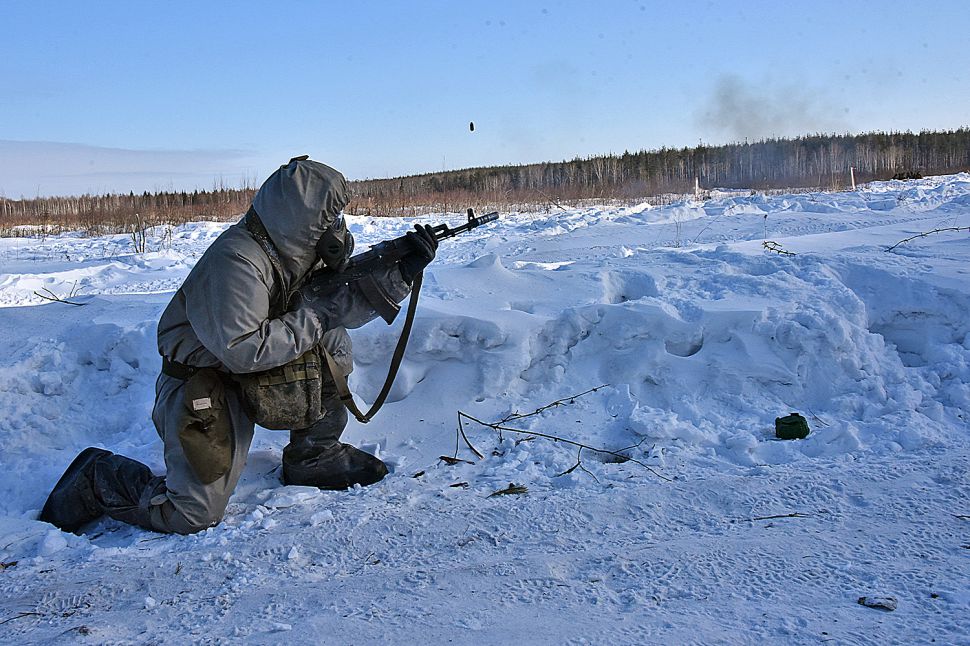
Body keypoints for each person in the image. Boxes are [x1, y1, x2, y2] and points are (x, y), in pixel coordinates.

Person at [39, 157, 438, 535]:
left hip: (246, 365)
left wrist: (398, 274)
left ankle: (314, 456)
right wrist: (319, 316)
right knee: (192, 514)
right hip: (204, 381)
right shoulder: (237, 262)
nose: (334, 225)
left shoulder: (294, 251)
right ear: (300, 216)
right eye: (327, 216)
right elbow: (246, 350)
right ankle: (99, 476)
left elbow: (337, 304)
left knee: (331, 341)